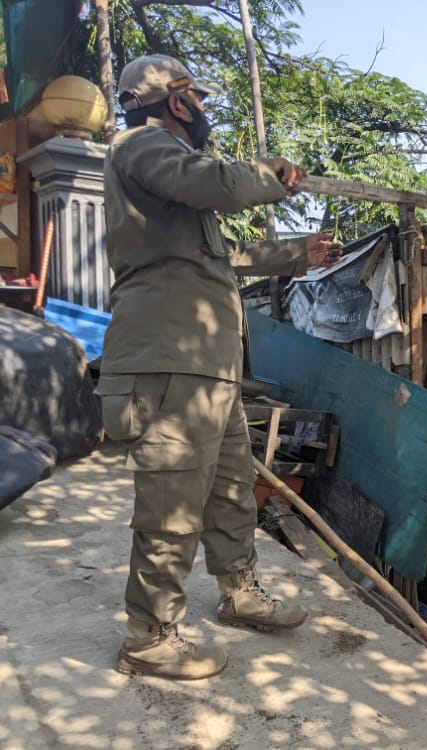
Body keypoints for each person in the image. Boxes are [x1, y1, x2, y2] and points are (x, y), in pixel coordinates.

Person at [97, 54, 343, 680]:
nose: (204, 111)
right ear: (177, 101)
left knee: (232, 490)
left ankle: (238, 593)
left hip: (210, 369)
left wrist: (294, 253)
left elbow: (223, 253)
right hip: (169, 362)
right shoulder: (142, 147)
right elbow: (222, 185)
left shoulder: (171, 190)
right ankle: (149, 636)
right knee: (172, 501)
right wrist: (271, 172)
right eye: (199, 100)